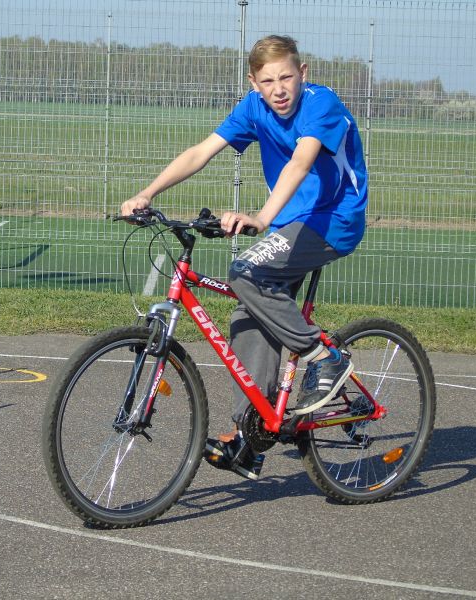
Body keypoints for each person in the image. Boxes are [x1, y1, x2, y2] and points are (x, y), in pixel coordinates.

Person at [120, 35, 368, 480]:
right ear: (254, 83)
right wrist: (147, 193)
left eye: (286, 77)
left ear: (303, 73)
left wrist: (260, 217)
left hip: (334, 220)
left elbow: (300, 163)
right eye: (268, 81)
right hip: (291, 223)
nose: (279, 89)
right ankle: (249, 438)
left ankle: (322, 355)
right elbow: (201, 151)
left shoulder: (321, 104)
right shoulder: (254, 108)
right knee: (248, 315)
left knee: (246, 272)